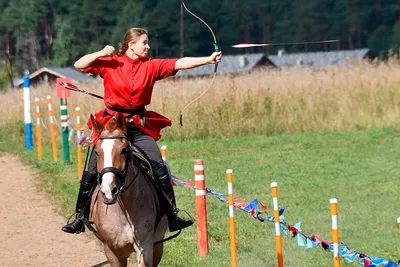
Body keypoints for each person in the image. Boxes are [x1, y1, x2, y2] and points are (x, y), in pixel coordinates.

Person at [61, 27, 222, 234]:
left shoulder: (152, 66)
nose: (148, 46)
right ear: (131, 45)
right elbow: (79, 65)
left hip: (137, 126)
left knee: (159, 168)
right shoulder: (111, 63)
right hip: (111, 128)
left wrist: (208, 60)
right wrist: (101, 53)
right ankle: (80, 218)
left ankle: (172, 215)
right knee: (92, 171)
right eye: (144, 42)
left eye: (147, 42)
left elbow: (179, 63)